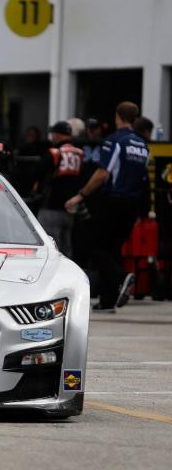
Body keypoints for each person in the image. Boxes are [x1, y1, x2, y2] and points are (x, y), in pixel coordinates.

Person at [65, 102, 149, 313]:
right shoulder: (142, 144)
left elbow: (103, 173)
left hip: (114, 201)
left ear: (117, 116)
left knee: (94, 245)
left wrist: (80, 195)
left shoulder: (115, 140)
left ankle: (123, 277)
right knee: (112, 248)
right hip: (133, 203)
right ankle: (108, 300)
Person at [36, 121, 84, 258]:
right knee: (66, 248)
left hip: (51, 207)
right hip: (70, 208)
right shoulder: (79, 153)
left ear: (57, 135)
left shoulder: (55, 153)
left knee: (50, 247)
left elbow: (36, 172)